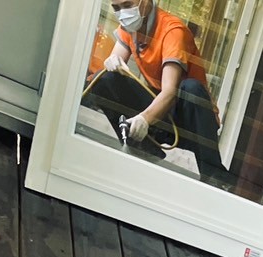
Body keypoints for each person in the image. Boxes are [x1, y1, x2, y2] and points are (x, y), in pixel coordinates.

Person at [84, 0, 231, 185]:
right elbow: (111, 73)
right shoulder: (130, 28)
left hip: (190, 119)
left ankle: (215, 176)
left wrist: (144, 118)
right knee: (103, 80)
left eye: (127, 5)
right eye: (116, 8)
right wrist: (112, 62)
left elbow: (170, 93)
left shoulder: (173, 31)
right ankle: (143, 149)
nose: (122, 13)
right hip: (162, 115)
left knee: (191, 88)